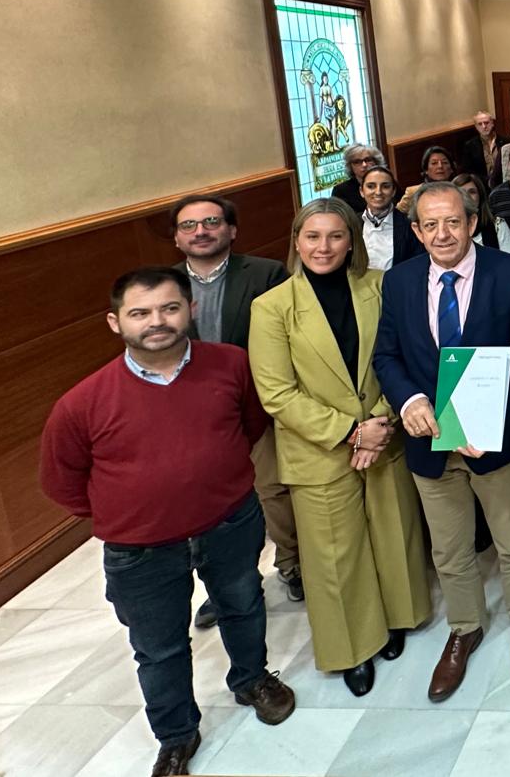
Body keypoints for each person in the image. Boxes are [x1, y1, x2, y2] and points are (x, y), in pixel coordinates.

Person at [40, 267, 296, 776]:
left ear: (191, 310)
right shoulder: (82, 403)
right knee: (159, 648)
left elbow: (250, 423)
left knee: (243, 606)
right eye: (140, 313)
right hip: (141, 549)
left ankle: (252, 680)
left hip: (228, 522)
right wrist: (133, 510)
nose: (156, 322)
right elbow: (62, 482)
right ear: (116, 322)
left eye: (169, 308)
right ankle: (176, 735)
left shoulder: (231, 365)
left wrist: (209, 480)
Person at [373, 183, 510, 700]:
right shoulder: (401, 282)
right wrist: (409, 402)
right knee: (449, 548)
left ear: (472, 223)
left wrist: (495, 416)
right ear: (416, 231)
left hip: (493, 441)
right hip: (429, 443)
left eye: (452, 221)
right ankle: (465, 627)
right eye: (430, 225)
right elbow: (387, 356)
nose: (442, 233)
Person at [247, 199, 432, 697]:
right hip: (320, 449)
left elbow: (403, 356)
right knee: (335, 554)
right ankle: (354, 647)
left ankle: (399, 617)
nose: (323, 246)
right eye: (312, 236)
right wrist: (353, 431)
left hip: (385, 433)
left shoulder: (380, 287)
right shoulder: (272, 308)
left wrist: (382, 422)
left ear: (352, 240)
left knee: (395, 534)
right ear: (296, 242)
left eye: (334, 236)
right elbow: (276, 393)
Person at [170, 195, 300, 629]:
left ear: (231, 230)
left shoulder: (266, 274)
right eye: (189, 225)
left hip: (260, 404)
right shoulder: (162, 287)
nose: (200, 231)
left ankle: (293, 564)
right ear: (177, 237)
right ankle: (226, 587)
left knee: (273, 489)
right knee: (209, 506)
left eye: (211, 221)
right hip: (195, 417)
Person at [357, 165, 426, 271]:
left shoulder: (409, 227)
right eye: (371, 186)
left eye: (385, 186)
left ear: (393, 191)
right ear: (362, 191)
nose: (378, 192)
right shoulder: (352, 223)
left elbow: (417, 266)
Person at [451, 173, 510, 254]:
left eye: (472, 192)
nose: (467, 196)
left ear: (481, 196)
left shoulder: (498, 226)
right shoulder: (445, 229)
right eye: (461, 192)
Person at [332, 144, 386, 213]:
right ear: (350, 166)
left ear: (376, 162)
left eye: (368, 160)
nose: (364, 165)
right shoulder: (340, 191)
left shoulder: (387, 182)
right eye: (357, 162)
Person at [460, 110, 502, 187]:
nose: (484, 126)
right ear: (476, 127)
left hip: (503, 182)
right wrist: (487, 181)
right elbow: (468, 171)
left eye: (486, 123)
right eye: (480, 124)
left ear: (492, 123)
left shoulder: (505, 141)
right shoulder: (470, 146)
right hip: (482, 185)